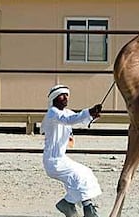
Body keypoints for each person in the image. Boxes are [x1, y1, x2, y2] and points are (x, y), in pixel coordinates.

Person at [40, 84, 102, 217]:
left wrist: (92, 116)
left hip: (61, 159)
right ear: (54, 98)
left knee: (83, 174)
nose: (65, 97)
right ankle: (70, 204)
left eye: (67, 95)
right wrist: (89, 111)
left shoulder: (66, 112)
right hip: (53, 161)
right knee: (79, 176)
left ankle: (85, 207)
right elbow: (69, 120)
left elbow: (79, 119)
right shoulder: (53, 113)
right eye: (62, 95)